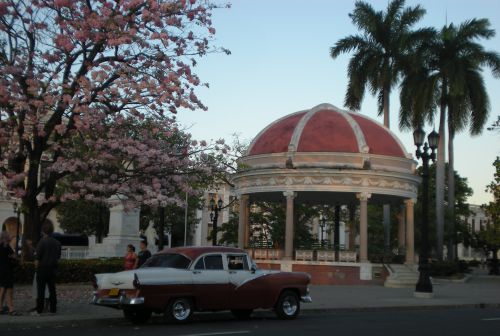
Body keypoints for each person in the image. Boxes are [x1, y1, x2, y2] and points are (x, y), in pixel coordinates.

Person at [33, 222, 61, 315]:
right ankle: (53, 309)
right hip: (53, 268)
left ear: (43, 231)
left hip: (42, 268)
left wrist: (36, 269)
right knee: (52, 289)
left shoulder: (42, 242)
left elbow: (37, 258)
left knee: (40, 290)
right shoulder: (57, 243)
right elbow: (58, 257)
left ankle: (39, 310)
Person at [0, 231, 21, 316]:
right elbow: (15, 257)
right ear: (6, 238)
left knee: (2, 289)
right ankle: (11, 309)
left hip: (1, 271)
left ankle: (0, 308)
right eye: (9, 236)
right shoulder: (6, 247)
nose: (10, 237)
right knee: (9, 290)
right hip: (7, 271)